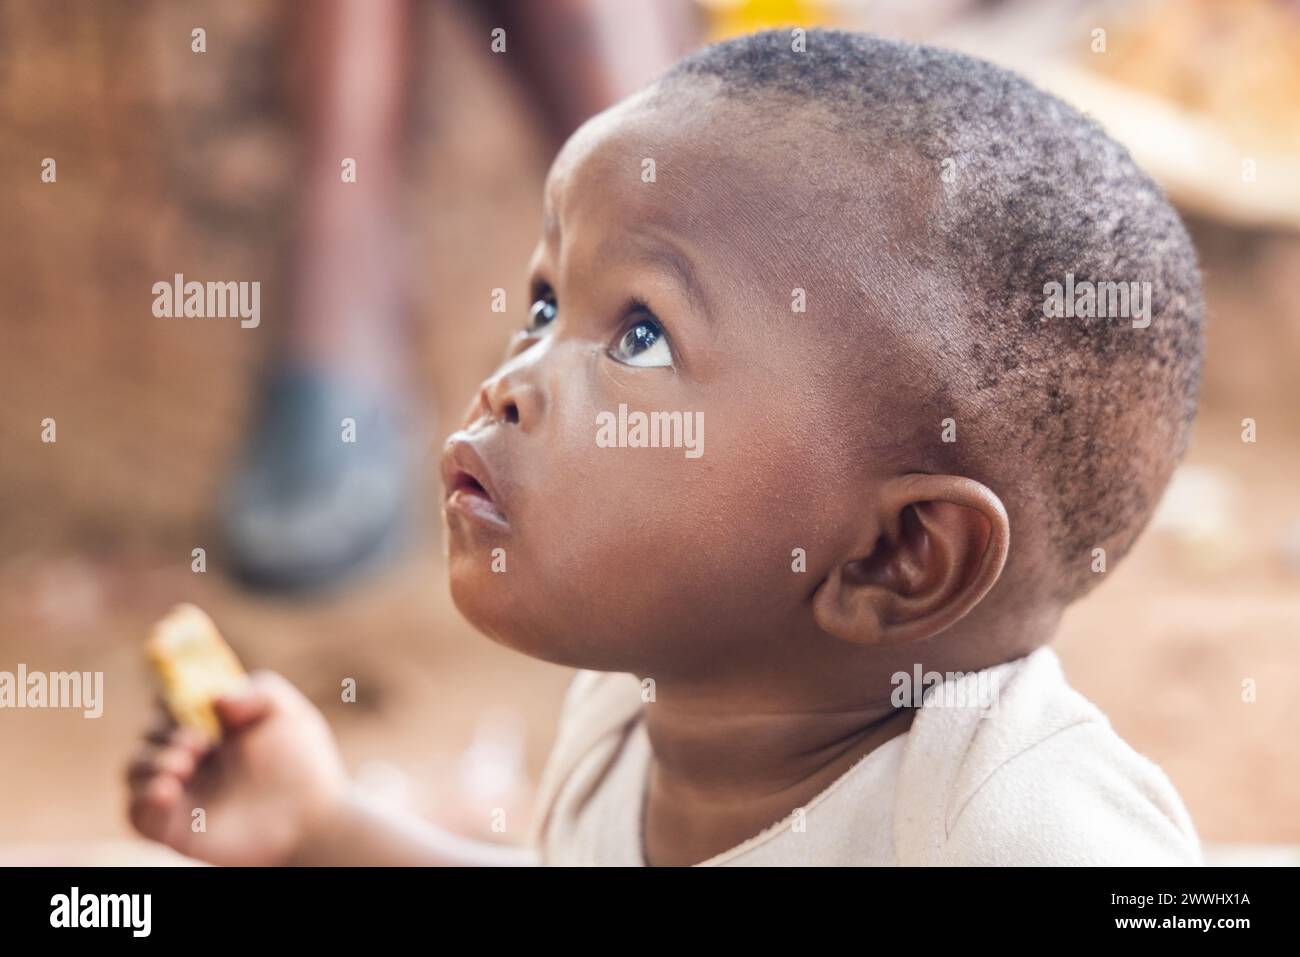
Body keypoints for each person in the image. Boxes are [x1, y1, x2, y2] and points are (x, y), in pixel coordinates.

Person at [131, 30, 1204, 866]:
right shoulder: (628, 713)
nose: (512, 385)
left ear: (896, 555)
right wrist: (321, 829)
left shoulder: (1007, 815)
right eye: (545, 303)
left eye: (640, 337)